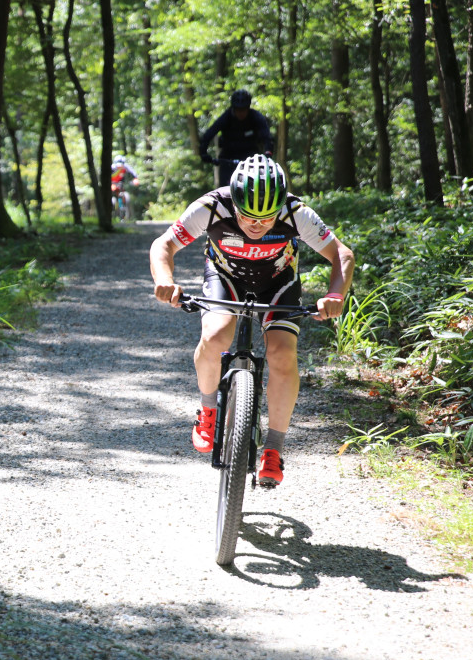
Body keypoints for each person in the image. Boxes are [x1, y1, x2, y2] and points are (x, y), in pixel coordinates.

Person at [149, 154, 354, 486]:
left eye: (267, 218)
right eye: (247, 217)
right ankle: (208, 411)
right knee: (216, 336)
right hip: (225, 277)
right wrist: (164, 279)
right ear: (234, 201)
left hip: (277, 283)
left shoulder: (295, 212)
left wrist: (335, 295)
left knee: (282, 355)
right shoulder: (212, 206)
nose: (257, 226)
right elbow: (164, 245)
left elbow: (341, 255)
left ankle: (272, 450)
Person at [199, 89, 275, 187]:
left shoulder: (256, 117)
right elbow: (210, 133)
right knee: (224, 191)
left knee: (253, 188)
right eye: (238, 110)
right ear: (233, 109)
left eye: (243, 110)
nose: (241, 113)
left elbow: (267, 137)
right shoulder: (226, 117)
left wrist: (268, 153)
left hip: (250, 159)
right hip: (228, 158)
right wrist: (203, 153)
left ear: (248, 108)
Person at [111, 155, 140, 219]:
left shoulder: (126, 167)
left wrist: (135, 179)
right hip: (112, 185)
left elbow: (133, 173)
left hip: (121, 184)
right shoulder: (111, 168)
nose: (119, 167)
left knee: (125, 194)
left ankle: (126, 214)